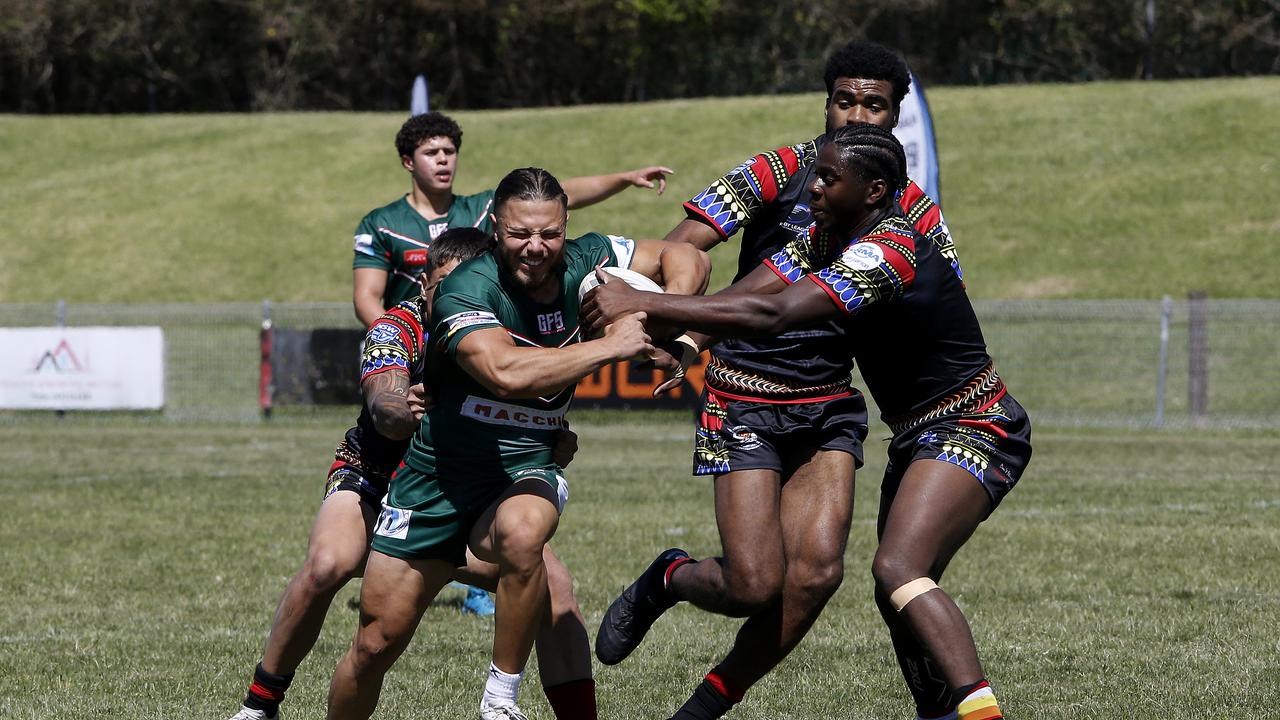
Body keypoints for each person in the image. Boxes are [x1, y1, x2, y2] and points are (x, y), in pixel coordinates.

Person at [584, 122, 1033, 720]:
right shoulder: (824, 234)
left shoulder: (888, 253)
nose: (811, 187)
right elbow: (752, 291)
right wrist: (680, 337)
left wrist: (641, 300)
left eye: (827, 178)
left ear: (874, 191)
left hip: (976, 423)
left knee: (897, 568)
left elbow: (772, 313)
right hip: (913, 433)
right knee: (890, 588)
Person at [327, 167, 709, 720]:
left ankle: (500, 699)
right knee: (374, 645)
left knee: (527, 536)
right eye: (519, 234)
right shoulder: (467, 288)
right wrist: (613, 346)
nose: (536, 248)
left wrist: (668, 323)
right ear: (496, 228)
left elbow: (689, 259)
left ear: (566, 225)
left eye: (550, 234)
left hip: (524, 467)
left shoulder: (588, 258)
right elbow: (505, 372)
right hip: (435, 481)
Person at [228, 229, 597, 720]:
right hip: (374, 478)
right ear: (424, 284)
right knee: (329, 564)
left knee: (554, 589)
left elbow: (524, 410)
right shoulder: (395, 327)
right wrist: (404, 409)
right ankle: (260, 705)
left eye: (469, 288)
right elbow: (384, 399)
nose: (456, 300)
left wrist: (555, 438)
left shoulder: (494, 329)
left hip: (460, 489)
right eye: (445, 286)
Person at [352, 110, 676, 327]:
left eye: (449, 153)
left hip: (477, 333)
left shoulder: (484, 207)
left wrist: (625, 178)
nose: (442, 161)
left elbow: (563, 194)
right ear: (408, 162)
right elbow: (367, 298)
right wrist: (400, 340)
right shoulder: (381, 223)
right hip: (414, 343)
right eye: (431, 153)